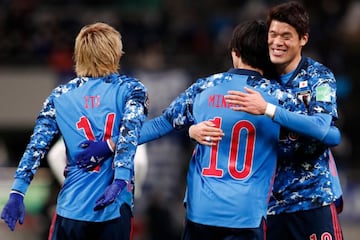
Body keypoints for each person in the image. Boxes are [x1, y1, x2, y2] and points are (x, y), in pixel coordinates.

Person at [76, 19, 339, 240]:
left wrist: (111, 144)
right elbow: (325, 133)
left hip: (200, 213)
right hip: (245, 216)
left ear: (234, 52)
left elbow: (160, 124)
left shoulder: (203, 88)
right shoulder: (278, 97)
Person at [190, 1, 344, 239]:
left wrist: (269, 109)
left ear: (303, 39)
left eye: (286, 36)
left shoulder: (318, 77)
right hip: (265, 204)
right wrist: (193, 130)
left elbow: (329, 132)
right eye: (273, 35)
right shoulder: (257, 75)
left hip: (311, 198)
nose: (277, 42)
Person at [0, 22, 148, 240]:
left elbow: (36, 147)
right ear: (115, 53)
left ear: (79, 55)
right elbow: (130, 135)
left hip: (72, 206)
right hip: (114, 207)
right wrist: (121, 179)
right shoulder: (132, 89)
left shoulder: (60, 95)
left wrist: (17, 191)